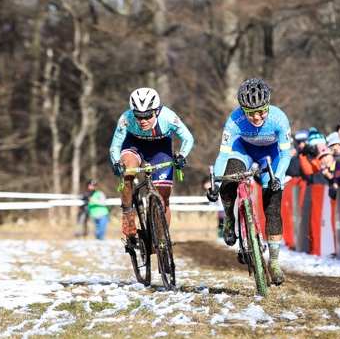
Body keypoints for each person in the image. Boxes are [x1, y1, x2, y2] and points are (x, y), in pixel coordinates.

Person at [211, 77, 291, 285]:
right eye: (250, 112)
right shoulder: (234, 121)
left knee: (272, 206)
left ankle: (273, 262)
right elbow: (222, 157)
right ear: (242, 110)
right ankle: (229, 218)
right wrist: (216, 185)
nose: (256, 117)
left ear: (269, 106)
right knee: (229, 180)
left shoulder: (279, 119)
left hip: (271, 155)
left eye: (261, 111)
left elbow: (286, 156)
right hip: (243, 150)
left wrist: (278, 178)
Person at [110, 87, 194, 245]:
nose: (143, 121)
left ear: (156, 111)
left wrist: (182, 155)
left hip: (160, 149)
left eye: (147, 116)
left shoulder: (168, 117)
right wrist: (116, 162)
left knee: (163, 197)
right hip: (134, 145)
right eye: (139, 116)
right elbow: (115, 146)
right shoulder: (126, 118)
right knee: (127, 169)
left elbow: (188, 138)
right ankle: (128, 212)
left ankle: (163, 242)